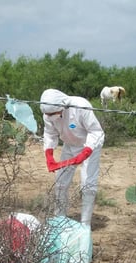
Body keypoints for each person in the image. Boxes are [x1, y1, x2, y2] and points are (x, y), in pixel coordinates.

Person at [40, 88, 104, 227]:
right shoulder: (48, 115)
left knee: (87, 184)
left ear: (62, 106)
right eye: (48, 114)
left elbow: (95, 131)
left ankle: (85, 224)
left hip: (89, 145)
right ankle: (59, 219)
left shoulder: (80, 106)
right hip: (69, 146)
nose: (50, 117)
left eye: (53, 113)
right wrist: (49, 154)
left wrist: (86, 152)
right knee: (60, 182)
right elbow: (50, 134)